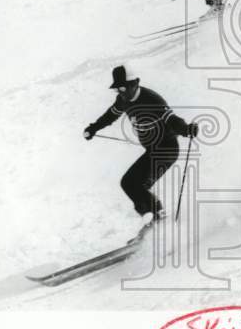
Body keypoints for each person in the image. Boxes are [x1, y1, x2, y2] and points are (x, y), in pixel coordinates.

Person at [83, 65, 199, 222]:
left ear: (135, 82)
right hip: (152, 150)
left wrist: (186, 129)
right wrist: (94, 128)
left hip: (166, 149)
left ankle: (158, 215)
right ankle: (150, 218)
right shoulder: (123, 100)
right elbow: (111, 115)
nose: (120, 93)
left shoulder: (152, 99)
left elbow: (171, 119)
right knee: (127, 183)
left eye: (123, 88)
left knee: (138, 185)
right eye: (117, 90)